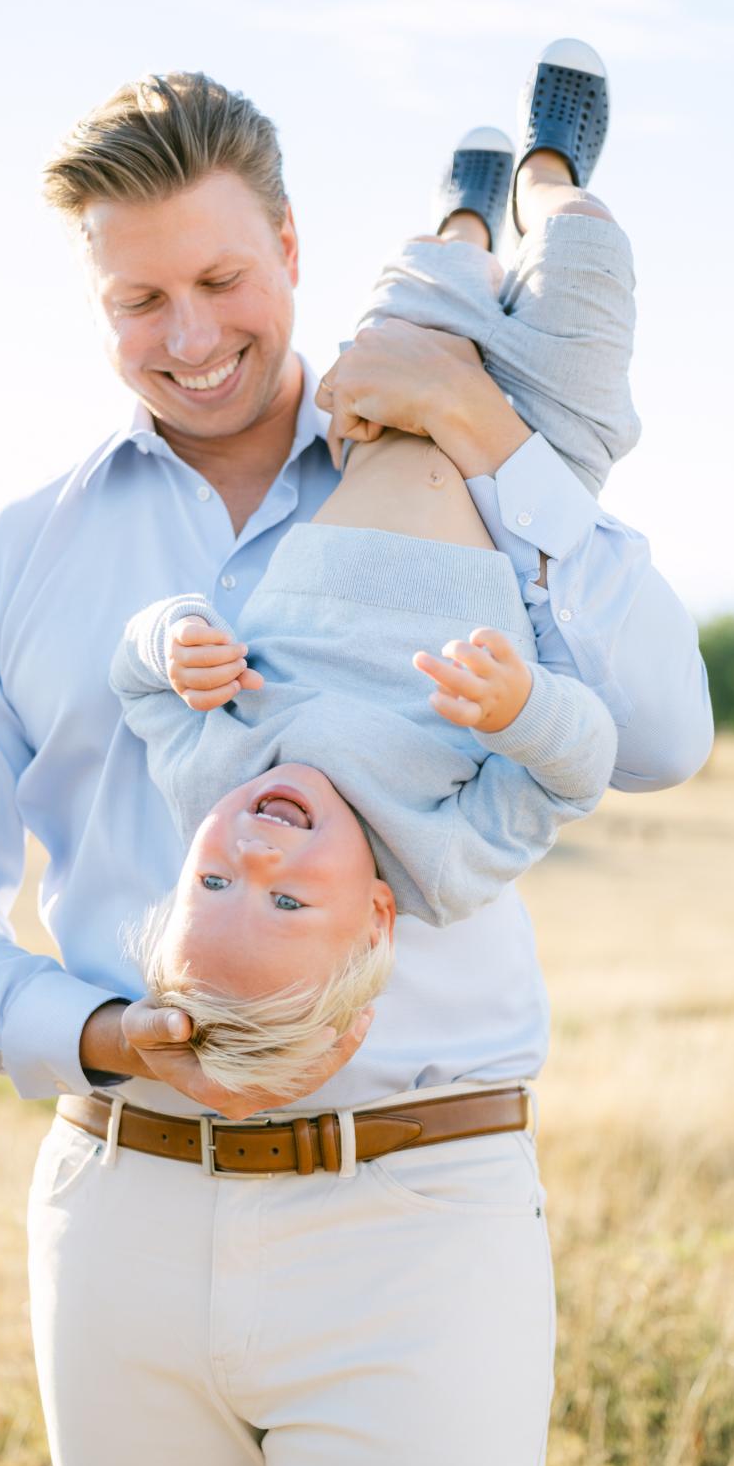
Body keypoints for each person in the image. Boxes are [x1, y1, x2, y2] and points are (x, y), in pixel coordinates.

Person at [0, 45, 712, 1466]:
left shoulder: (462, 467)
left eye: (222, 282)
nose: (188, 336)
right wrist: (111, 1031)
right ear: (97, 301)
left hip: (420, 1215)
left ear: (295, 249)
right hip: (120, 1210)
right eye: (138, 300)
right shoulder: (11, 561)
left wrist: (486, 429)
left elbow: (659, 736)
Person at [106, 70, 638, 1091]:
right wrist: (524, 709)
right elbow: (580, 768)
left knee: (422, 291)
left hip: (379, 429)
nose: (255, 858)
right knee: (592, 258)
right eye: (287, 905)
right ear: (377, 918)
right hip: (534, 464)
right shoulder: (440, 864)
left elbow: (135, 680)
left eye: (213, 879)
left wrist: (170, 639)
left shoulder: (209, 768)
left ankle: (468, 221)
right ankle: (548, 176)